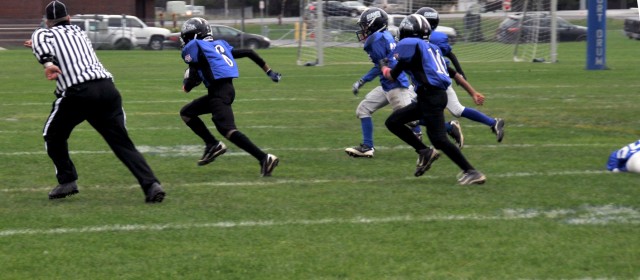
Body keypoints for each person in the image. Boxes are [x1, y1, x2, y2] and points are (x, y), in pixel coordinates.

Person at [29, 1, 165, 203]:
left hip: (79, 92)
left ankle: (67, 180)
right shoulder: (79, 32)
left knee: (52, 134)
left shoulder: (43, 33)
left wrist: (47, 62)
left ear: (47, 22)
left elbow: (42, 42)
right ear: (69, 18)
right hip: (108, 89)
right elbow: (64, 47)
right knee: (122, 143)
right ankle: (151, 185)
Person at [381, 14, 486, 185]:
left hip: (431, 97)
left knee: (439, 140)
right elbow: (450, 72)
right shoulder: (431, 48)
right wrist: (472, 92)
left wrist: (383, 66)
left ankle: (472, 171)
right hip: (432, 96)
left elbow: (392, 75)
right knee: (394, 121)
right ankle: (424, 151)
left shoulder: (410, 44)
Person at [179, 17, 281, 176]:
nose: (185, 40)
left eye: (187, 36)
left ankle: (264, 158)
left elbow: (191, 78)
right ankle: (212, 144)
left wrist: (187, 83)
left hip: (219, 93)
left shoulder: (195, 46)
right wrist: (269, 71)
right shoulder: (219, 45)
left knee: (228, 130)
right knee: (187, 112)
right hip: (224, 90)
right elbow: (249, 52)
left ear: (195, 35)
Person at [345, 7, 429, 158]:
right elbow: (384, 64)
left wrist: (363, 80)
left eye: (365, 25)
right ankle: (367, 147)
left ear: (374, 24)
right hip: (388, 84)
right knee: (363, 109)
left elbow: (382, 66)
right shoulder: (385, 36)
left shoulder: (375, 40)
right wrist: (363, 80)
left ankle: (448, 127)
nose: (363, 29)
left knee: (410, 119)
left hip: (395, 86)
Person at [416, 7, 505, 148]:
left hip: (432, 82)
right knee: (457, 110)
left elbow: (449, 57)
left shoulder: (432, 39)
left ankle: (425, 132)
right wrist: (461, 74)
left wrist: (460, 73)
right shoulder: (427, 39)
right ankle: (493, 122)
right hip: (437, 79)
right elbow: (450, 56)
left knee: (407, 112)